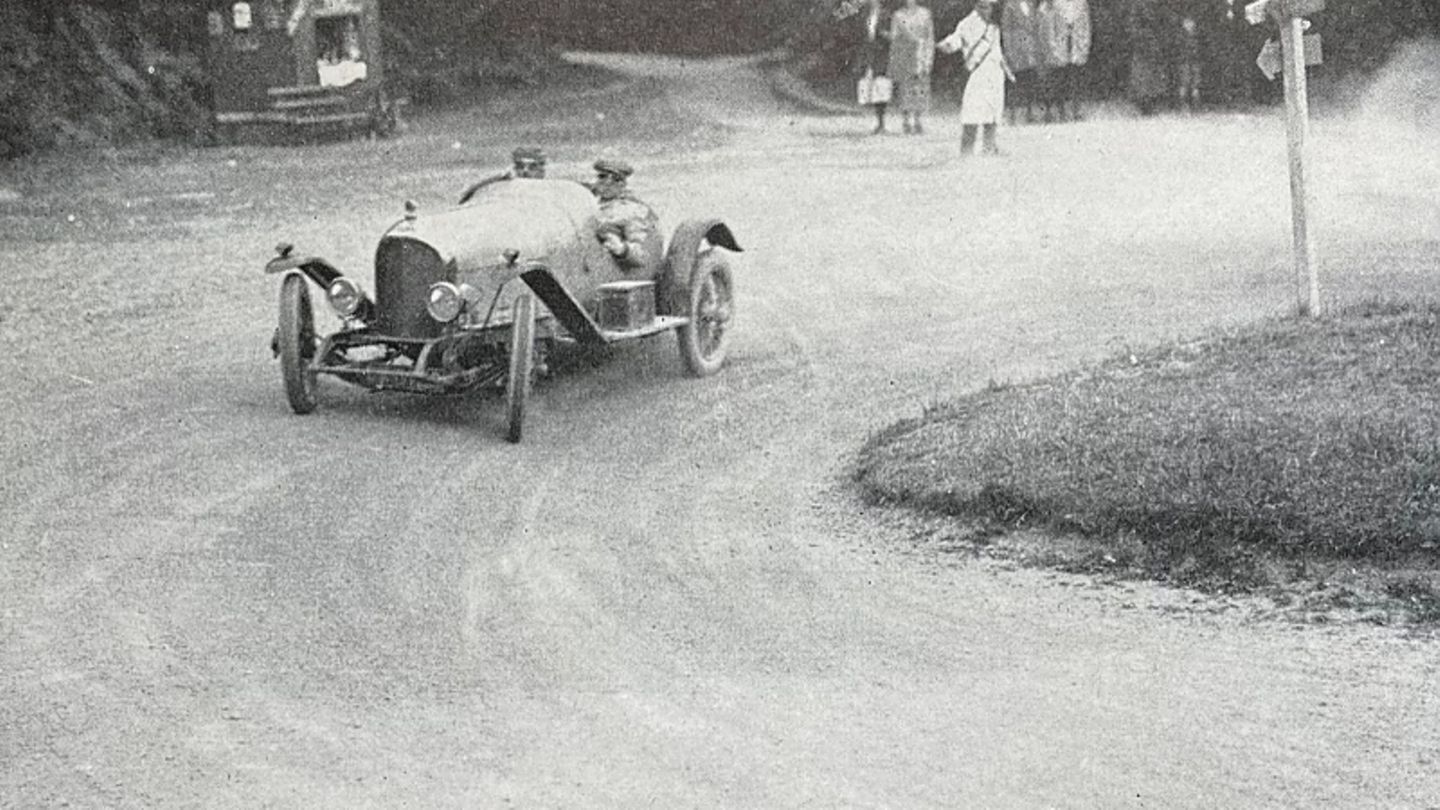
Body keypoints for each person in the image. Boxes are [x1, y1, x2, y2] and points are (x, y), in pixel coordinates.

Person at [937, 0, 1013, 155]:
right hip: (978, 74)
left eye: (989, 7)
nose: (987, 10)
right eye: (983, 6)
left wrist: (1007, 70)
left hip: (995, 73)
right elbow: (956, 39)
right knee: (972, 112)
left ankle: (989, 147)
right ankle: (966, 150)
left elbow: (997, 51)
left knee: (993, 112)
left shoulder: (994, 26)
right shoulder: (967, 23)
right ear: (976, 6)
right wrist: (947, 45)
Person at [590, 159, 660, 271]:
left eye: (616, 179)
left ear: (623, 184)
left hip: (603, 268)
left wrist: (622, 249)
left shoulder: (631, 211)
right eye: (602, 176)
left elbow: (642, 256)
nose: (608, 182)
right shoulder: (587, 201)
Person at [888, 0, 936, 134]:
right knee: (905, 88)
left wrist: (928, 58)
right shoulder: (898, 15)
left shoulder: (925, 14)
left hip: (921, 54)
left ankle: (918, 120)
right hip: (904, 55)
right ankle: (906, 121)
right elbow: (894, 37)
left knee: (920, 88)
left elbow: (930, 37)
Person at [1039, 0, 1091, 121]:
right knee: (1060, 79)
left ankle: (1076, 109)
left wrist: (1084, 44)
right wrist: (1053, 47)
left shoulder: (1081, 4)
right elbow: (1049, 26)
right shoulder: (1055, 4)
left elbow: (1086, 26)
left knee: (1076, 79)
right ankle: (1061, 110)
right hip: (1060, 46)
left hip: (1076, 46)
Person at [1000, 0, 1043, 124]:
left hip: (1030, 48)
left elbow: (1035, 26)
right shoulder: (1010, 6)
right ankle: (1012, 114)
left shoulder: (1031, 4)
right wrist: (1009, 50)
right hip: (1017, 48)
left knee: (1030, 80)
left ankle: (1030, 113)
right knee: (1015, 81)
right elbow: (1006, 30)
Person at [852, 0, 892, 134]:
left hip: (881, 56)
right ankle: (877, 121)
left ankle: (882, 122)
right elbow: (862, 37)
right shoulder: (864, 16)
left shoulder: (887, 16)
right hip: (869, 56)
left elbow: (893, 35)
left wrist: (883, 35)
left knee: (881, 87)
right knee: (871, 88)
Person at [1127, 0, 1170, 116]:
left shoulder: (1155, 5)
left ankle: (1149, 103)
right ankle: (1144, 104)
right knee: (1143, 74)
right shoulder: (1139, 5)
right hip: (1143, 42)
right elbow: (1134, 23)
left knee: (1151, 73)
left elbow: (1161, 22)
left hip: (1151, 42)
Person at [458, 146, 546, 204]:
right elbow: (484, 181)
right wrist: (467, 193)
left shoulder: (550, 177)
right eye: (520, 166)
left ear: (541, 168)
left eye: (532, 167)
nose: (525, 171)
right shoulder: (510, 174)